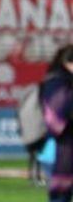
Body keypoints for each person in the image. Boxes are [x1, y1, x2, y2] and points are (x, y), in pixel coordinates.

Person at [41, 45, 73, 202]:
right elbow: (55, 119)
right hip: (60, 148)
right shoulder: (57, 83)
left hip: (62, 146)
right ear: (68, 63)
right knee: (61, 195)